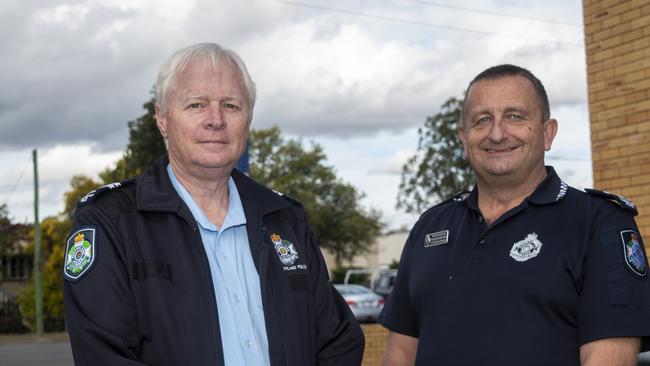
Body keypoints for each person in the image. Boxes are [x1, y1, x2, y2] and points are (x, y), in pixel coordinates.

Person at [62, 43, 364, 366]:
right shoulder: (111, 224)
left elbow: (339, 343)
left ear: (247, 119)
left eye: (231, 106)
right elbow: (103, 355)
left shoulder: (285, 220)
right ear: (162, 118)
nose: (216, 120)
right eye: (196, 105)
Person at [379, 64, 650, 365]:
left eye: (515, 117)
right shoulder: (430, 227)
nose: (497, 134)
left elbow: (611, 358)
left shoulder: (598, 223)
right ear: (463, 140)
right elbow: (401, 353)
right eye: (482, 120)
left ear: (548, 133)